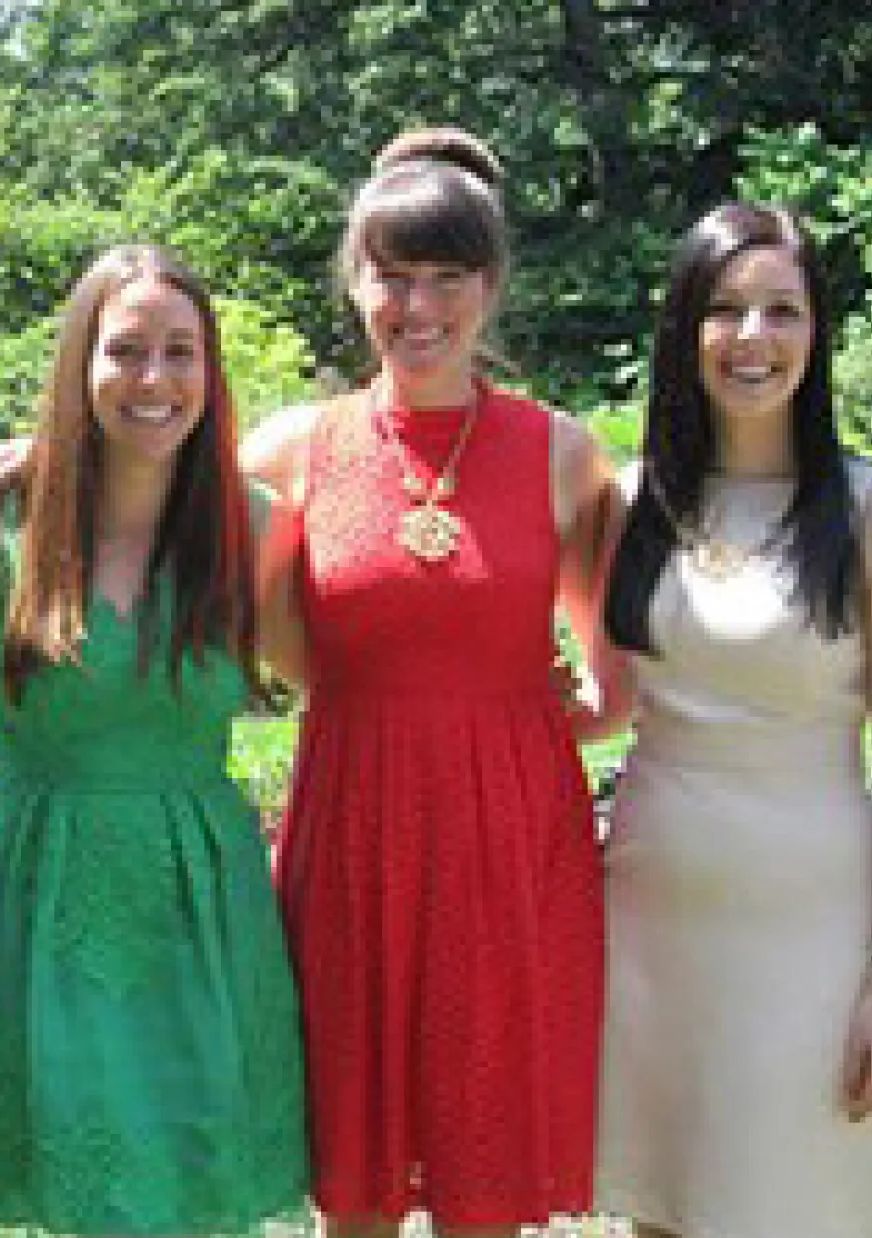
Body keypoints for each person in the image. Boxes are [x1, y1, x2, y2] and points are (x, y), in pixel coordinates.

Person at [239, 128, 624, 1237]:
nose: (416, 304)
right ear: (352, 284)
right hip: (352, 831)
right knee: (352, 1186)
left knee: (484, 1185)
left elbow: (612, 684)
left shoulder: (563, 454)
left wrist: (510, 717)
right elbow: (247, 615)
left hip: (507, 844)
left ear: (490, 286)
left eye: (445, 277)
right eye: (389, 276)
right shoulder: (290, 449)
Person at [594, 202, 872, 1237]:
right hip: (652, 922)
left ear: (817, 333)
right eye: (724, 309)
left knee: (792, 1207)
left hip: (810, 930)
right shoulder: (632, 502)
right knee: (667, 1207)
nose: (752, 337)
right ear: (685, 331)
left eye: (781, 310)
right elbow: (599, 701)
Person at [0, 244, 310, 1235]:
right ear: (78, 365)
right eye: (125, 349)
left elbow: (332, 681)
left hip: (193, 889)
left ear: (210, 372)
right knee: (51, 1171)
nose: (154, 378)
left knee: (184, 1167)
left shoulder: (255, 526)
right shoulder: (1, 514)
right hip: (36, 872)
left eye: (180, 351)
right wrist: (49, 743)